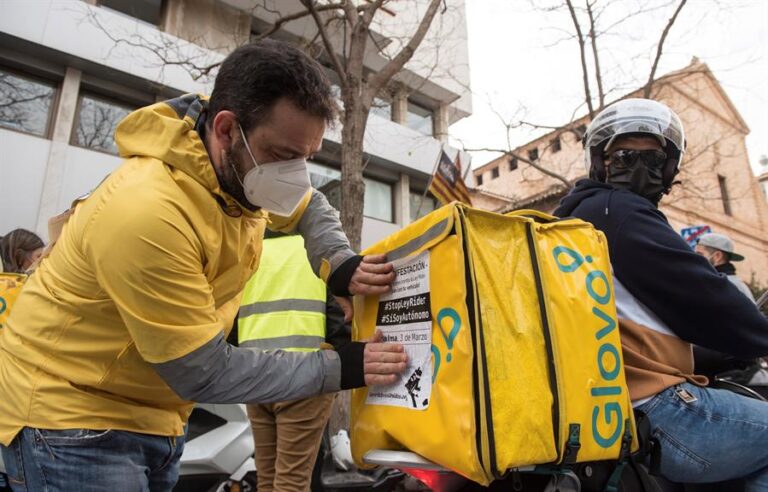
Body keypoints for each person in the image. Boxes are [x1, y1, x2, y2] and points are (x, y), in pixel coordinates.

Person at [0, 39, 407, 491]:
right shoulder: (149, 212)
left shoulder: (235, 175)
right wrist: (342, 366)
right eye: (283, 156)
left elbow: (309, 206)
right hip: (69, 421)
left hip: (157, 411)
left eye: (307, 157)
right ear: (227, 129)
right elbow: (203, 370)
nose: (296, 175)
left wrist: (341, 263)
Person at [554, 98, 768, 489]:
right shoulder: (619, 213)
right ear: (601, 162)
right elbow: (705, 296)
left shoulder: (572, 217)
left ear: (668, 168)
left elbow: (643, 321)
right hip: (657, 410)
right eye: (624, 156)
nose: (639, 168)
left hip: (606, 410)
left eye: (652, 160)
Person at [238, 232, 348, 492]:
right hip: (305, 377)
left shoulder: (250, 249)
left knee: (267, 479)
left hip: (253, 377)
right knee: (292, 483)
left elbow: (231, 316)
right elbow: (340, 317)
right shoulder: (319, 249)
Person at [695, 232, 755, 302]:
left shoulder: (730, 286)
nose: (696, 259)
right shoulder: (718, 282)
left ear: (718, 256)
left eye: (700, 254)